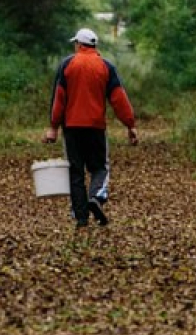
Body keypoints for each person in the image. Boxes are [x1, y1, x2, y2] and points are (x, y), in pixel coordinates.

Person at [41, 27, 138, 227]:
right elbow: (119, 98)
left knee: (75, 172)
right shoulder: (106, 67)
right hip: (95, 127)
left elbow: (59, 98)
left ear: (78, 44)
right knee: (99, 168)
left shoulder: (67, 65)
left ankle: (81, 216)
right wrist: (130, 125)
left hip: (72, 128)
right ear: (94, 46)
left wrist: (53, 127)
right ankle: (96, 197)